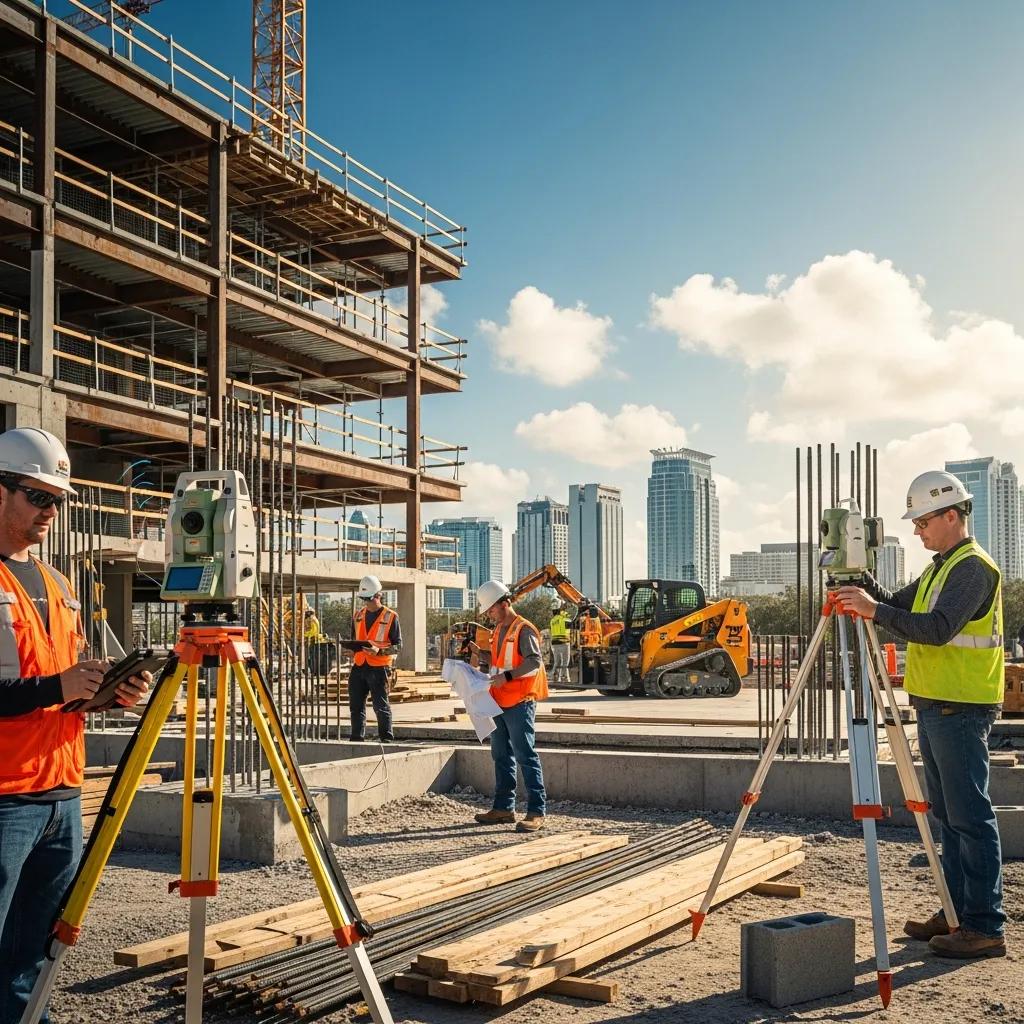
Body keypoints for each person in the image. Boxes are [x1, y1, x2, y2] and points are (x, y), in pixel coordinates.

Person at [0, 427, 150, 1024]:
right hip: (5, 799)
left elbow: (62, 686)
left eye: (57, 501)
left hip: (61, 793)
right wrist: (54, 689)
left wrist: (107, 695)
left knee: (31, 955)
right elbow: (41, 687)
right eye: (38, 496)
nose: (51, 512)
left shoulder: (58, 585)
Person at [836, 469, 1006, 960]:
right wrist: (859, 580)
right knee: (948, 817)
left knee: (970, 816)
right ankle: (956, 912)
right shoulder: (939, 566)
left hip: (961, 705)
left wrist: (873, 610)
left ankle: (984, 925)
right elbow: (893, 606)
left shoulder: (971, 568)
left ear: (952, 515)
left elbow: (935, 629)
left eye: (924, 520)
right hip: (934, 704)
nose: (917, 530)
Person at [469, 580, 547, 833]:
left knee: (525, 755)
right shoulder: (498, 630)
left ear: (505, 603)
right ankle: (504, 808)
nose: (489, 614)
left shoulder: (524, 629)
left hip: (519, 702)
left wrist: (509, 677)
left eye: (491, 609)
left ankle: (536, 811)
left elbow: (534, 661)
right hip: (498, 701)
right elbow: (499, 661)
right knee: (500, 755)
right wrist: (480, 656)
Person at [348, 575, 400, 743]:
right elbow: (354, 638)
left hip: (379, 668)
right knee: (356, 706)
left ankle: (386, 739)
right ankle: (356, 738)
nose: (367, 604)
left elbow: (398, 646)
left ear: (378, 595)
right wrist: (351, 650)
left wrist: (378, 651)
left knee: (381, 706)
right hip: (359, 665)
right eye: (364, 600)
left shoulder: (391, 616)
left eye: (369, 599)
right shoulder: (358, 615)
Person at [549, 604, 571, 684]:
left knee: (557, 661)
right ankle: (564, 677)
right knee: (565, 661)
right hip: (564, 642)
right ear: (560, 611)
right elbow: (572, 622)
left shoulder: (552, 620)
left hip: (554, 643)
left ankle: (555, 676)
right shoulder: (563, 618)